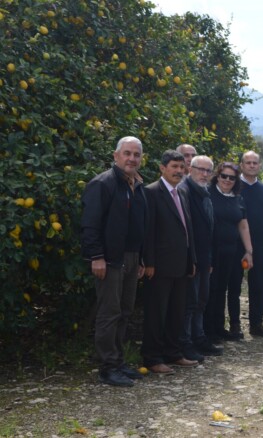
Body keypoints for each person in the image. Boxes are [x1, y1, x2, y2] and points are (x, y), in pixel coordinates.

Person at [81, 136, 148, 387]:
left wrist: (140, 258)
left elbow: (139, 226)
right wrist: (96, 256)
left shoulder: (137, 185)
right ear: (115, 156)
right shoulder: (102, 184)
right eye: (127, 153)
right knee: (109, 313)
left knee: (125, 311)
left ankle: (119, 362)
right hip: (108, 259)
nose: (132, 158)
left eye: (136, 154)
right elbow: (90, 224)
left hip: (131, 258)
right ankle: (108, 368)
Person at [141, 150, 198, 374]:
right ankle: (153, 357)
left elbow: (187, 228)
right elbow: (148, 231)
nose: (178, 171)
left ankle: (173, 353)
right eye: (174, 166)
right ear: (162, 168)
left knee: (177, 311)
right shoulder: (152, 192)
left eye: (181, 167)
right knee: (157, 312)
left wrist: (191, 258)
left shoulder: (181, 193)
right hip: (159, 265)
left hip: (181, 264)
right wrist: (149, 262)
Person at [178, 155, 222, 359]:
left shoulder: (205, 192)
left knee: (201, 300)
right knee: (189, 303)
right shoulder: (184, 191)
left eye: (208, 171)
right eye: (200, 169)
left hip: (205, 259)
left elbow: (210, 229)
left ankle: (199, 338)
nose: (204, 174)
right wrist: (190, 260)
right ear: (190, 168)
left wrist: (210, 259)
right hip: (190, 259)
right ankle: (185, 343)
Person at [204, 163, 254, 343]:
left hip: (231, 251)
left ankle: (219, 327)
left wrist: (249, 251)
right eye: (224, 176)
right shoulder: (208, 194)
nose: (227, 180)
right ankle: (207, 331)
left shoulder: (238, 198)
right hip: (212, 250)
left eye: (232, 177)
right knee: (211, 289)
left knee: (222, 289)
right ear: (217, 176)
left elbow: (243, 225)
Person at [238, 151, 263, 338]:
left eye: (255, 163)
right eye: (248, 162)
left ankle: (257, 324)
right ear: (242, 165)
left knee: (258, 285)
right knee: (234, 285)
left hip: (261, 246)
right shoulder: (234, 186)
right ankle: (233, 325)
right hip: (236, 245)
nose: (252, 165)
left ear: (259, 166)